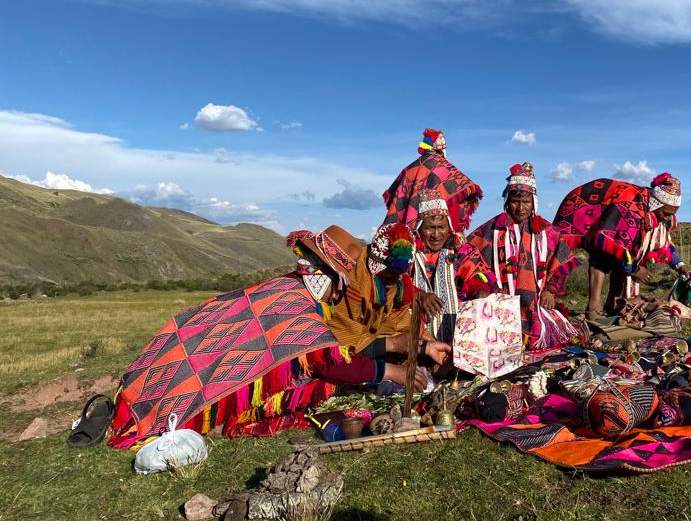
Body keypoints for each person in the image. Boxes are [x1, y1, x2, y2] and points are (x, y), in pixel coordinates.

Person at [108, 223, 449, 448]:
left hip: (152, 371)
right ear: (322, 276)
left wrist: (417, 346)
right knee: (317, 384)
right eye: (338, 285)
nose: (338, 294)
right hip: (177, 388)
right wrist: (391, 371)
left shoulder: (286, 287)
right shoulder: (297, 308)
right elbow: (330, 362)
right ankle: (213, 414)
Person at [459, 163, 581, 347]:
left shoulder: (548, 232)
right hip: (499, 306)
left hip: (537, 306)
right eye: (516, 201)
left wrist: (551, 291)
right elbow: (469, 257)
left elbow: (561, 263)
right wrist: (483, 286)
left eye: (526, 202)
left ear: (534, 203)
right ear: (507, 201)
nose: (521, 207)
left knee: (556, 336)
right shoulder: (491, 229)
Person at [553, 172, 683, 318]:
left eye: (672, 214)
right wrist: (634, 269)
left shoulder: (657, 215)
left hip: (607, 217)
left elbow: (662, 243)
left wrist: (680, 264)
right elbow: (614, 244)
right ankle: (593, 308)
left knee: (618, 265)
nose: (668, 218)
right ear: (656, 204)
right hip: (583, 210)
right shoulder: (631, 209)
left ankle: (611, 305)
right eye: (665, 213)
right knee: (601, 258)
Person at [410, 187, 493, 344]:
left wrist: (480, 290)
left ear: (449, 227)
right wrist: (419, 295)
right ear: (419, 228)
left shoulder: (461, 252)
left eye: (441, 227)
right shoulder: (407, 253)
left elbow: (477, 277)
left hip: (459, 340)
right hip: (416, 339)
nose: (436, 235)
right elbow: (395, 286)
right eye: (429, 228)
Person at [382, 128, 483, 233]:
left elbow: (398, 198)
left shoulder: (409, 169)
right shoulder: (443, 166)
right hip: (441, 229)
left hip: (410, 229)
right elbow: (465, 188)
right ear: (442, 149)